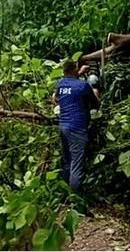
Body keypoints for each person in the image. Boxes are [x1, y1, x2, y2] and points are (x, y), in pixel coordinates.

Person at [56, 60, 100, 192]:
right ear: (75, 69)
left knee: (68, 162)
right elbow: (96, 104)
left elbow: (55, 99)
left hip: (63, 126)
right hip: (77, 127)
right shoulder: (84, 86)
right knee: (76, 164)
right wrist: (96, 94)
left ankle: (64, 194)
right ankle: (74, 200)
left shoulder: (60, 84)